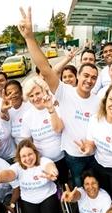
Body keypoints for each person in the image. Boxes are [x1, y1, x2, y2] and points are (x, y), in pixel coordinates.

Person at [17, 8, 100, 187]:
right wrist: (29, 38)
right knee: (78, 187)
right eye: (86, 75)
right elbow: (45, 69)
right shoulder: (64, 91)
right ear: (78, 76)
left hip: (95, 154)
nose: (89, 80)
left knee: (95, 188)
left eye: (94, 77)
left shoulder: (98, 100)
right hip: (73, 156)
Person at [19, 76, 69, 185]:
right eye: (31, 96)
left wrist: (51, 109)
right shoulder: (27, 116)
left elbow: (58, 129)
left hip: (63, 158)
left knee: (65, 185)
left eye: (37, 93)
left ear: (44, 91)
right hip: (43, 162)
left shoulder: (55, 107)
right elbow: (26, 143)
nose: (35, 98)